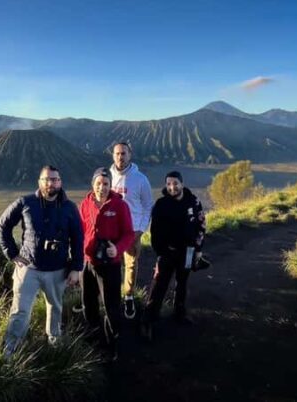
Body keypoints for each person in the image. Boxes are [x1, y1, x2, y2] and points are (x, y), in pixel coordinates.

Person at [0, 165, 84, 355]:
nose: (50, 183)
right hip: (28, 268)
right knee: (20, 311)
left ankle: (54, 345)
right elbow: (2, 225)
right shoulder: (26, 202)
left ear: (60, 182)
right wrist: (12, 253)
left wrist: (77, 267)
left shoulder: (69, 208)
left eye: (54, 179)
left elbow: (78, 238)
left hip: (57, 270)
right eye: (46, 179)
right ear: (39, 182)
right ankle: (10, 351)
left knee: (55, 308)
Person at [140, 171, 206, 341]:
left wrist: (198, 249)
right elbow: (154, 232)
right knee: (159, 285)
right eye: (168, 184)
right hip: (167, 253)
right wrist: (161, 252)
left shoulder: (194, 201)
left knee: (182, 283)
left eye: (175, 183)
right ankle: (148, 320)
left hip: (188, 251)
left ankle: (180, 313)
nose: (172, 187)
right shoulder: (161, 204)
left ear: (182, 184)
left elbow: (201, 225)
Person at [78, 167, 135, 359]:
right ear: (92, 184)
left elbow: (128, 234)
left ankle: (113, 343)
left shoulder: (120, 206)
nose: (101, 187)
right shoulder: (85, 204)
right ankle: (94, 339)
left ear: (111, 185)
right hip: (88, 263)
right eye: (98, 183)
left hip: (110, 265)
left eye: (105, 184)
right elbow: (80, 231)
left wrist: (117, 249)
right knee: (89, 303)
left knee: (111, 306)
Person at [109, 142, 153, 319]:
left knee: (131, 265)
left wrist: (141, 229)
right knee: (110, 264)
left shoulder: (140, 179)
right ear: (113, 155)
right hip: (111, 230)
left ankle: (128, 296)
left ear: (130, 155)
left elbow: (148, 205)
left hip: (132, 231)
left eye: (124, 153)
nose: (121, 157)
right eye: (117, 153)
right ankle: (111, 297)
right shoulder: (107, 176)